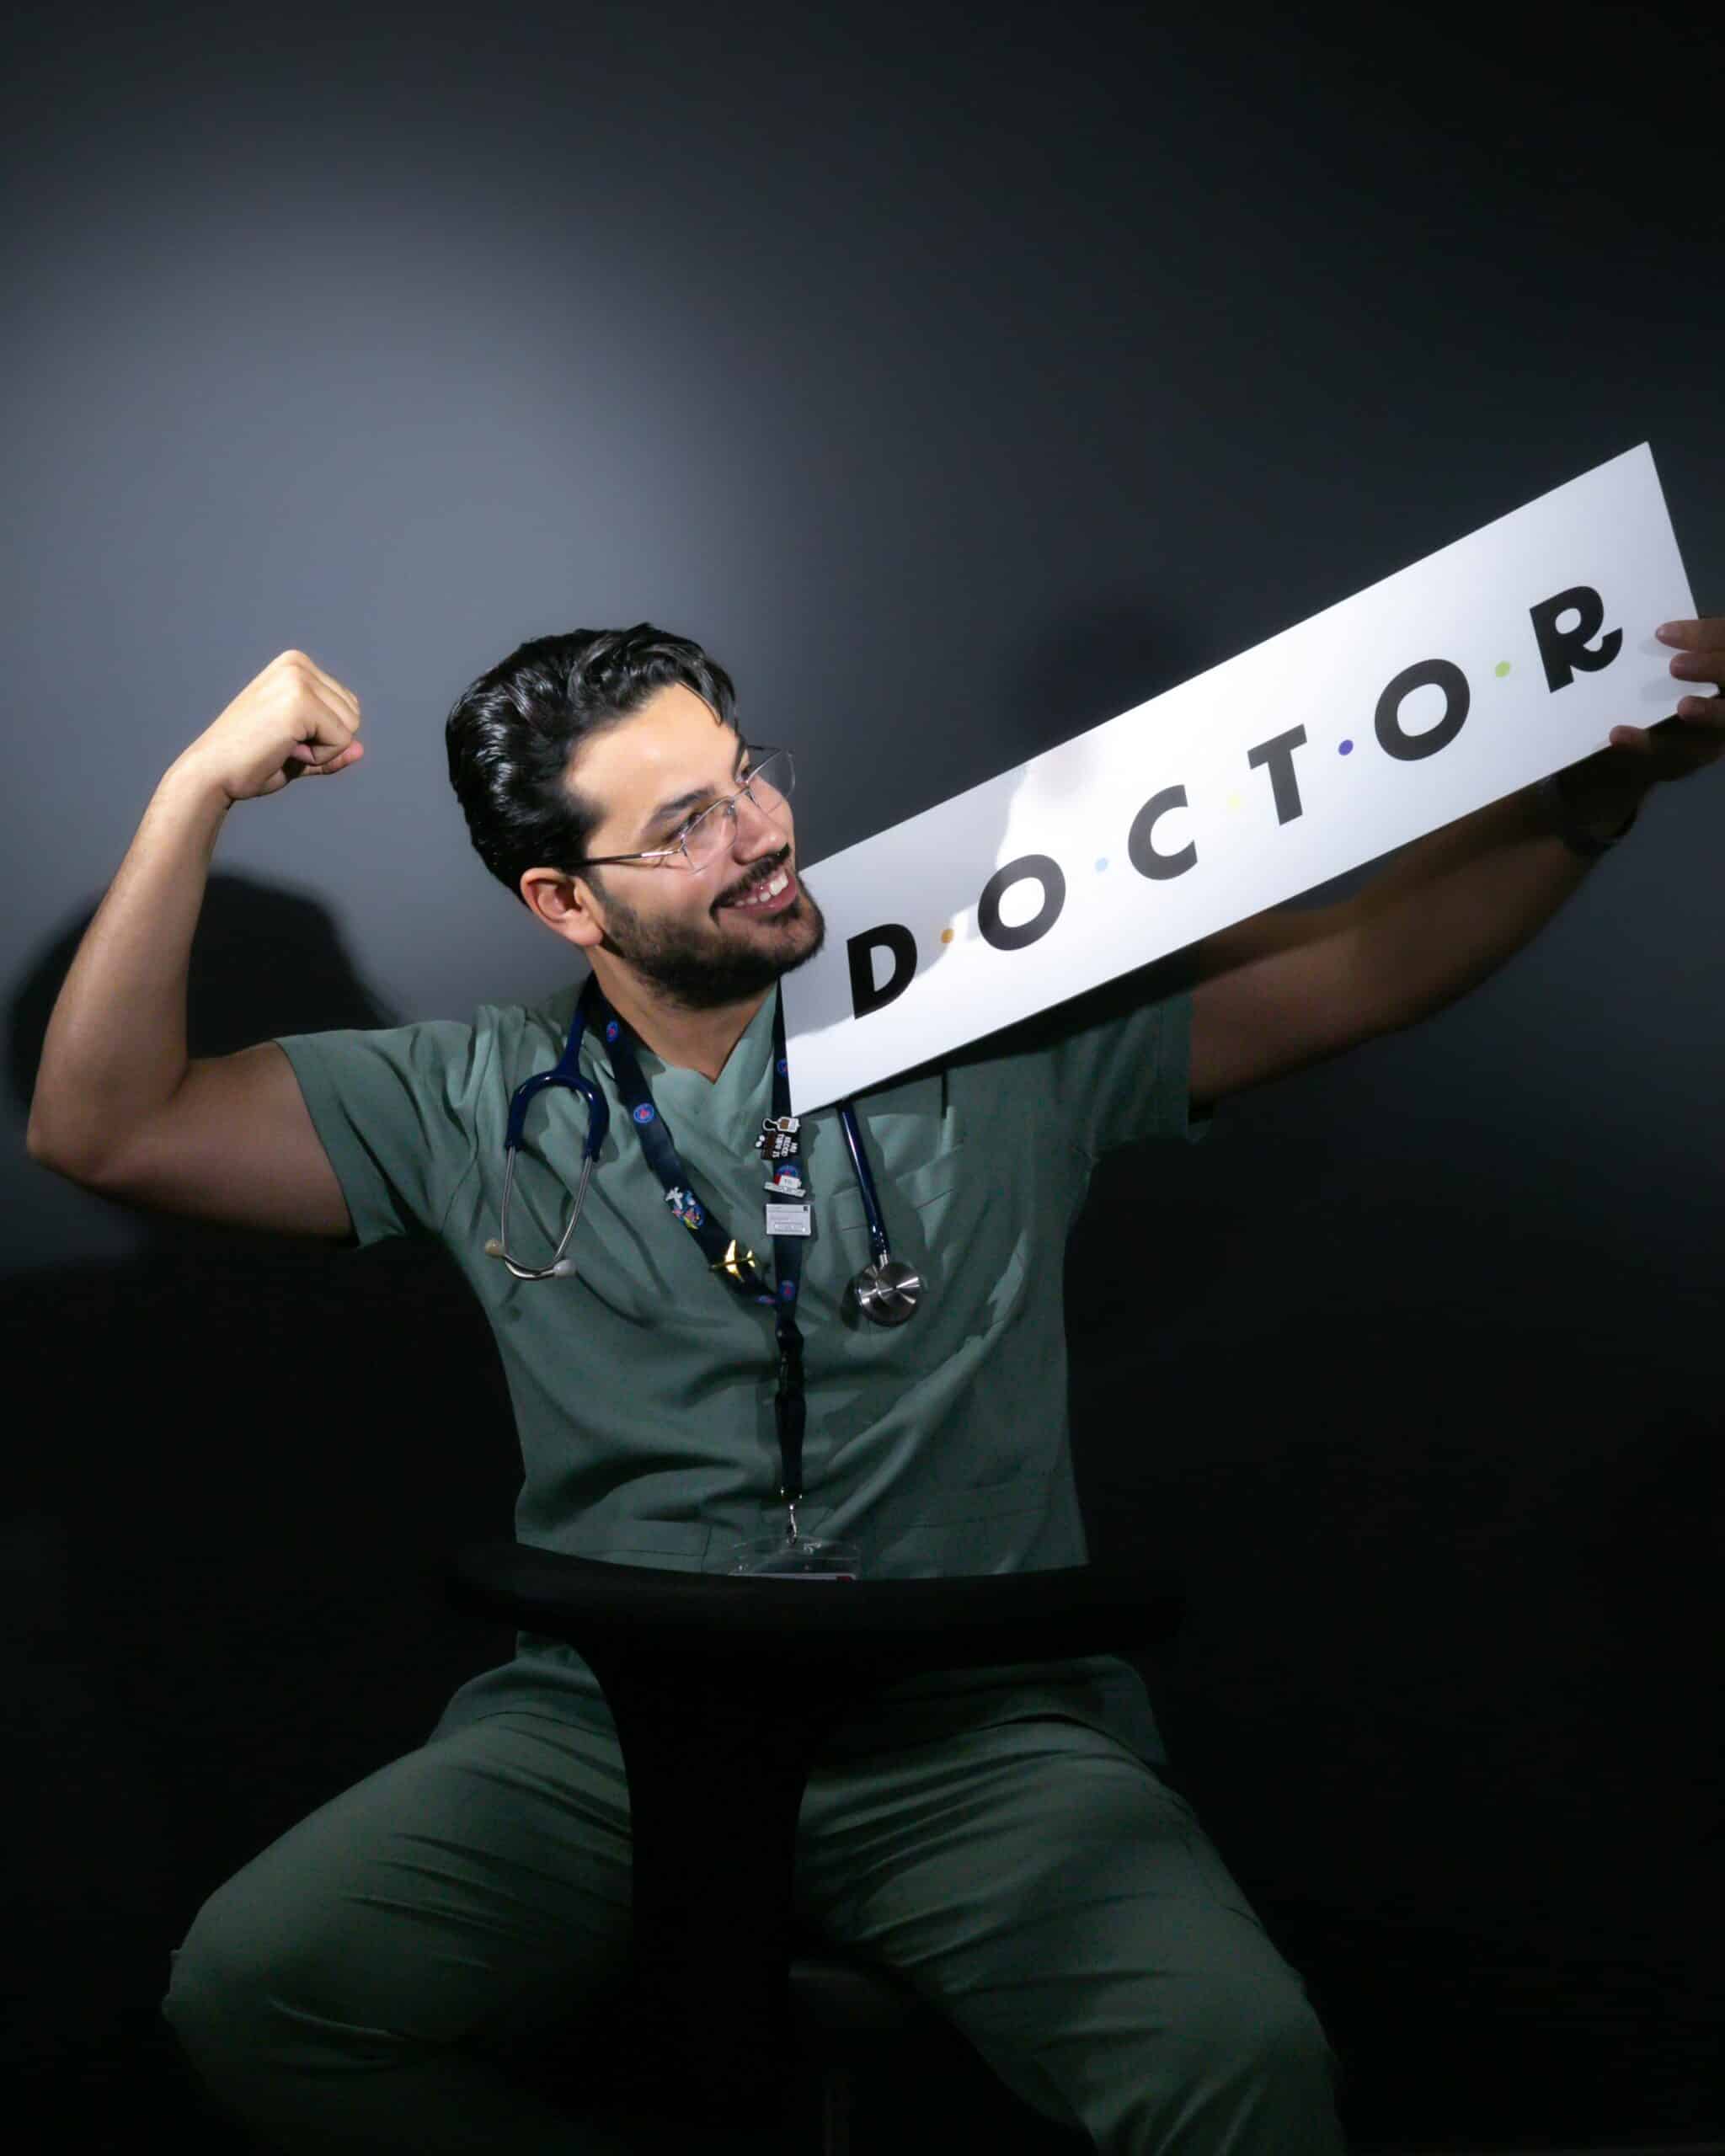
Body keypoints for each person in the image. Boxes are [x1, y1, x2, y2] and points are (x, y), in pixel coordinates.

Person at [29, 616, 1696, 2153]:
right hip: (609, 1739)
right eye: (680, 824)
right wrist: (194, 792)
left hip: (971, 1740)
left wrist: (1588, 801)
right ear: (564, 901)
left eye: (744, 772)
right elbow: (105, 1125)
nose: (755, 829)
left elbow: (1355, 970)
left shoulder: (982, 1004)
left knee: (1241, 2066)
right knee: (254, 1994)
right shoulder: (465, 1097)